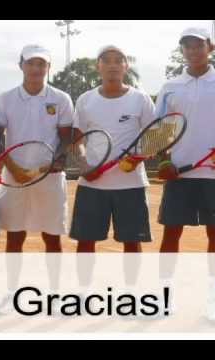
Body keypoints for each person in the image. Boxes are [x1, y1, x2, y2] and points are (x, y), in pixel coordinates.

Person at [155, 27, 215, 320]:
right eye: (187, 46)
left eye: (198, 45)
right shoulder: (170, 86)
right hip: (180, 175)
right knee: (171, 233)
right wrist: (163, 160)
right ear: (182, 50)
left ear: (210, 47)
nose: (193, 50)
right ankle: (164, 297)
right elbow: (158, 131)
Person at [0, 45, 73, 311]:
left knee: (52, 238)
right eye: (31, 63)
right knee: (15, 237)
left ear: (48, 68)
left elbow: (65, 138)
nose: (37, 69)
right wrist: (13, 167)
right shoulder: (5, 99)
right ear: (21, 65)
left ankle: (54, 293)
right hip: (14, 176)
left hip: (49, 179)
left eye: (42, 64)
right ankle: (12, 292)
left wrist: (57, 161)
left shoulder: (61, 99)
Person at [69, 45, 155, 293]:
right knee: (85, 242)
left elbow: (153, 137)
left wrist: (138, 157)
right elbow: (77, 140)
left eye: (119, 60)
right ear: (99, 66)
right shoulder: (86, 100)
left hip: (131, 185)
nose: (113, 65)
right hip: (92, 186)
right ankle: (83, 293)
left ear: (126, 67)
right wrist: (85, 165)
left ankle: (130, 293)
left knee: (132, 242)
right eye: (107, 60)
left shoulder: (140, 99)